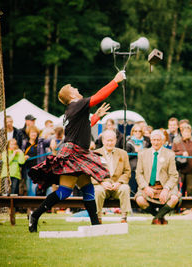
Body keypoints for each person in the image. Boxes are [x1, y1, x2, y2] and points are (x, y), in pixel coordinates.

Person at [27, 70, 126, 232]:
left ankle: (95, 226)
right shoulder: (76, 104)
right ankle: (35, 215)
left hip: (78, 153)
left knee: (88, 189)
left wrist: (96, 117)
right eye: (74, 89)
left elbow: (81, 129)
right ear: (72, 97)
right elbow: (97, 97)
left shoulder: (72, 110)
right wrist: (115, 81)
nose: (78, 90)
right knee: (65, 191)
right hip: (73, 154)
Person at [135, 130, 181, 225]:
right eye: (153, 140)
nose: (155, 142)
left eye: (158, 140)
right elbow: (139, 174)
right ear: (150, 140)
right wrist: (145, 187)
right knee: (139, 200)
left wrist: (166, 189)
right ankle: (160, 217)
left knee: (174, 199)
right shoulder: (142, 154)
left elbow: (174, 175)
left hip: (164, 187)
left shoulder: (170, 154)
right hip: (148, 186)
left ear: (163, 141)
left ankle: (156, 218)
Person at [93, 130, 131, 223]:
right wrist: (102, 183)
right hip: (101, 185)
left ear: (115, 140)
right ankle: (98, 218)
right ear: (103, 141)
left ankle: (124, 217)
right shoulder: (95, 154)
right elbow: (91, 173)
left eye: (112, 140)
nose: (110, 143)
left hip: (117, 185)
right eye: (107, 140)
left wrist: (119, 183)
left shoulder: (123, 153)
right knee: (97, 191)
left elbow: (127, 172)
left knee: (125, 188)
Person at [21, 126, 51, 196]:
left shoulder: (40, 142)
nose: (33, 134)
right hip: (28, 169)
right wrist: (23, 157)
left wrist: (52, 141)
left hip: (38, 169)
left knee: (36, 187)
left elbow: (48, 141)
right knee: (29, 188)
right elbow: (20, 154)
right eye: (32, 132)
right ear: (29, 134)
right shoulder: (25, 144)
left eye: (35, 132)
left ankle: (37, 204)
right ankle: (31, 205)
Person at [125, 123, 151, 196]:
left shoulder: (146, 142)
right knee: (132, 190)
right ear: (132, 132)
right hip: (133, 169)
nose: (137, 133)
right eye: (135, 131)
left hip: (145, 169)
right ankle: (133, 207)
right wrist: (135, 152)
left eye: (139, 131)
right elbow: (126, 156)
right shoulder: (129, 143)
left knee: (143, 189)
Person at [172, 125, 192, 196]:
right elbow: (171, 153)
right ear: (182, 133)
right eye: (185, 132)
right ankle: (178, 206)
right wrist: (181, 153)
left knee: (190, 189)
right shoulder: (177, 143)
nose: (187, 134)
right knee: (179, 189)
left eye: (188, 132)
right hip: (180, 169)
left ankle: (189, 206)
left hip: (191, 170)